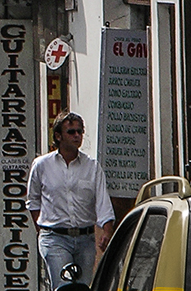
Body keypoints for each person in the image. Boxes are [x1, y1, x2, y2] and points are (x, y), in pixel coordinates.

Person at [26, 112, 115, 289]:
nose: (77, 136)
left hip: (85, 239)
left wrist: (107, 230)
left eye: (80, 132)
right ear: (58, 136)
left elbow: (102, 201)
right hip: (55, 238)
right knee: (64, 287)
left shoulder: (92, 167)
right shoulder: (42, 165)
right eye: (71, 132)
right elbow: (33, 201)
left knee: (82, 287)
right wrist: (43, 229)